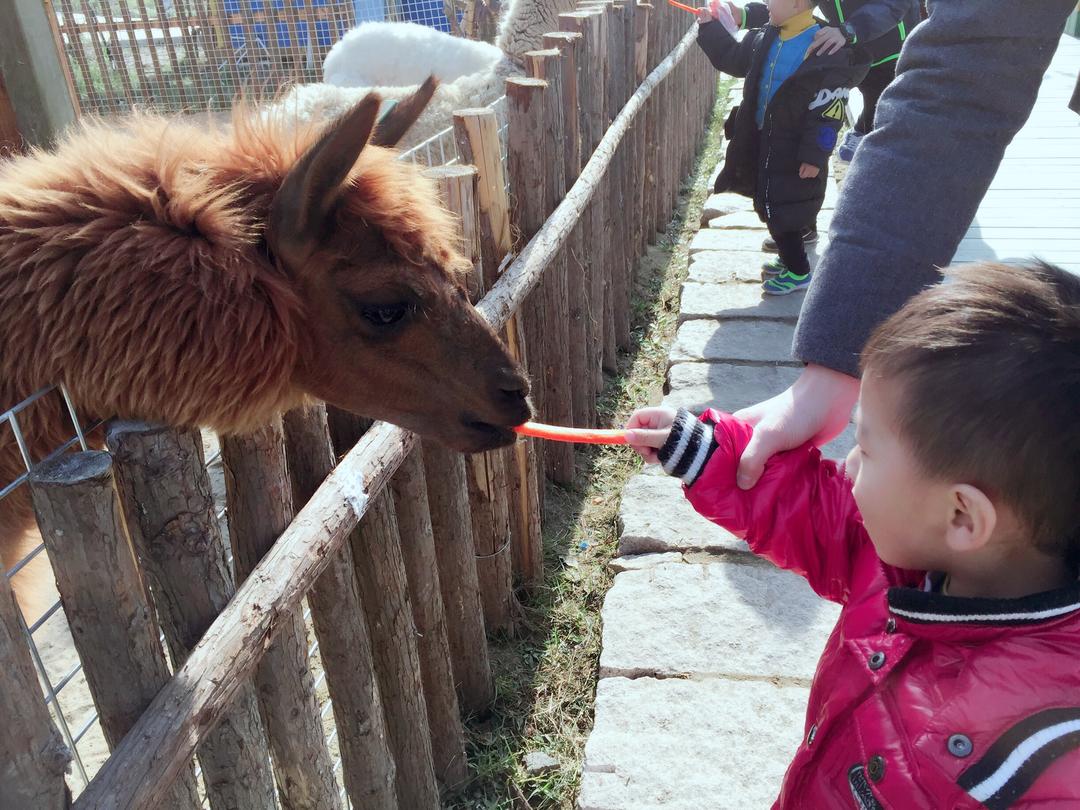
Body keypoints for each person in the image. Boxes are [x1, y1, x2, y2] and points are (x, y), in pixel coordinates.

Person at [624, 260, 1080, 808]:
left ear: (963, 516)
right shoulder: (923, 551)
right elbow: (823, 517)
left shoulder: (1032, 768)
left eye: (866, 447)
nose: (847, 464)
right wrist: (709, 453)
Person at [731, 0, 1079, 489]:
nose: (852, 465)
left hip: (875, 54)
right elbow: (961, 77)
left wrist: (851, 31)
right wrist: (835, 364)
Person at [696, 0, 868, 295]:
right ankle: (790, 259)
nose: (767, 4)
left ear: (798, 3)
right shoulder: (766, 36)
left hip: (797, 148)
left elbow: (829, 110)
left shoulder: (824, 48)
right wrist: (710, 28)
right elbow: (733, 59)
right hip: (767, 138)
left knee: (783, 209)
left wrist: (815, 154)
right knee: (769, 200)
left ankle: (799, 270)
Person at [725, 0, 920, 251]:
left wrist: (849, 30)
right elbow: (795, 4)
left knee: (882, 135)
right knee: (809, 128)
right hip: (834, 46)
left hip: (887, 50)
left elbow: (894, 4)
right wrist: (745, 14)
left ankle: (886, 229)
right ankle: (801, 224)